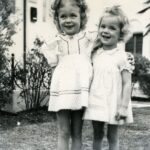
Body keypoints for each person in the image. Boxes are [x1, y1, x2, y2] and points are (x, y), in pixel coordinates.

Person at [42, 0, 96, 149]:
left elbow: (108, 43)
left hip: (79, 90)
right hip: (62, 91)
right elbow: (53, 66)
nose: (68, 20)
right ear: (57, 19)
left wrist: (124, 57)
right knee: (63, 131)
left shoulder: (87, 39)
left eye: (73, 15)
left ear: (82, 17)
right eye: (63, 16)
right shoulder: (56, 41)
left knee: (77, 133)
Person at [84, 6, 134, 150]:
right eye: (103, 26)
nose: (105, 31)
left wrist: (123, 107)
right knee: (97, 134)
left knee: (112, 136)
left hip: (114, 102)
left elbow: (127, 83)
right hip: (96, 99)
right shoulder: (94, 54)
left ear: (121, 34)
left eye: (112, 28)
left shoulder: (123, 56)